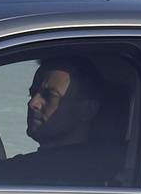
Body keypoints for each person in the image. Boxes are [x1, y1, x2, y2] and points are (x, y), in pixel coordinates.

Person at [17, 51, 128, 186]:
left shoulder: (84, 177)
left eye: (49, 96)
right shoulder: (105, 170)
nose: (33, 103)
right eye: (32, 93)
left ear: (87, 110)